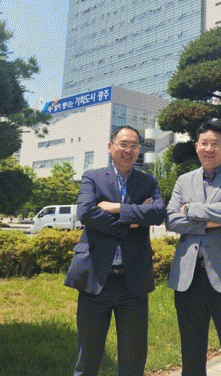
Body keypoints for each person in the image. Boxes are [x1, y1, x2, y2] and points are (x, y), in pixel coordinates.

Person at [65, 125, 166, 376]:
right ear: (110, 147)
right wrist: (133, 218)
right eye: (123, 144)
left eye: (134, 145)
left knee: (133, 360)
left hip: (134, 282)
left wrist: (116, 208)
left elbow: (157, 213)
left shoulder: (147, 180)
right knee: (88, 358)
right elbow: (86, 212)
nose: (128, 150)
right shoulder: (92, 176)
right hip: (96, 279)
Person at [166, 120, 221, 376]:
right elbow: (171, 220)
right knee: (191, 352)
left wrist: (190, 209)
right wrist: (214, 219)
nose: (209, 149)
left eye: (215, 143)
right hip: (188, 277)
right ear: (196, 147)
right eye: (204, 143)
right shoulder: (184, 180)